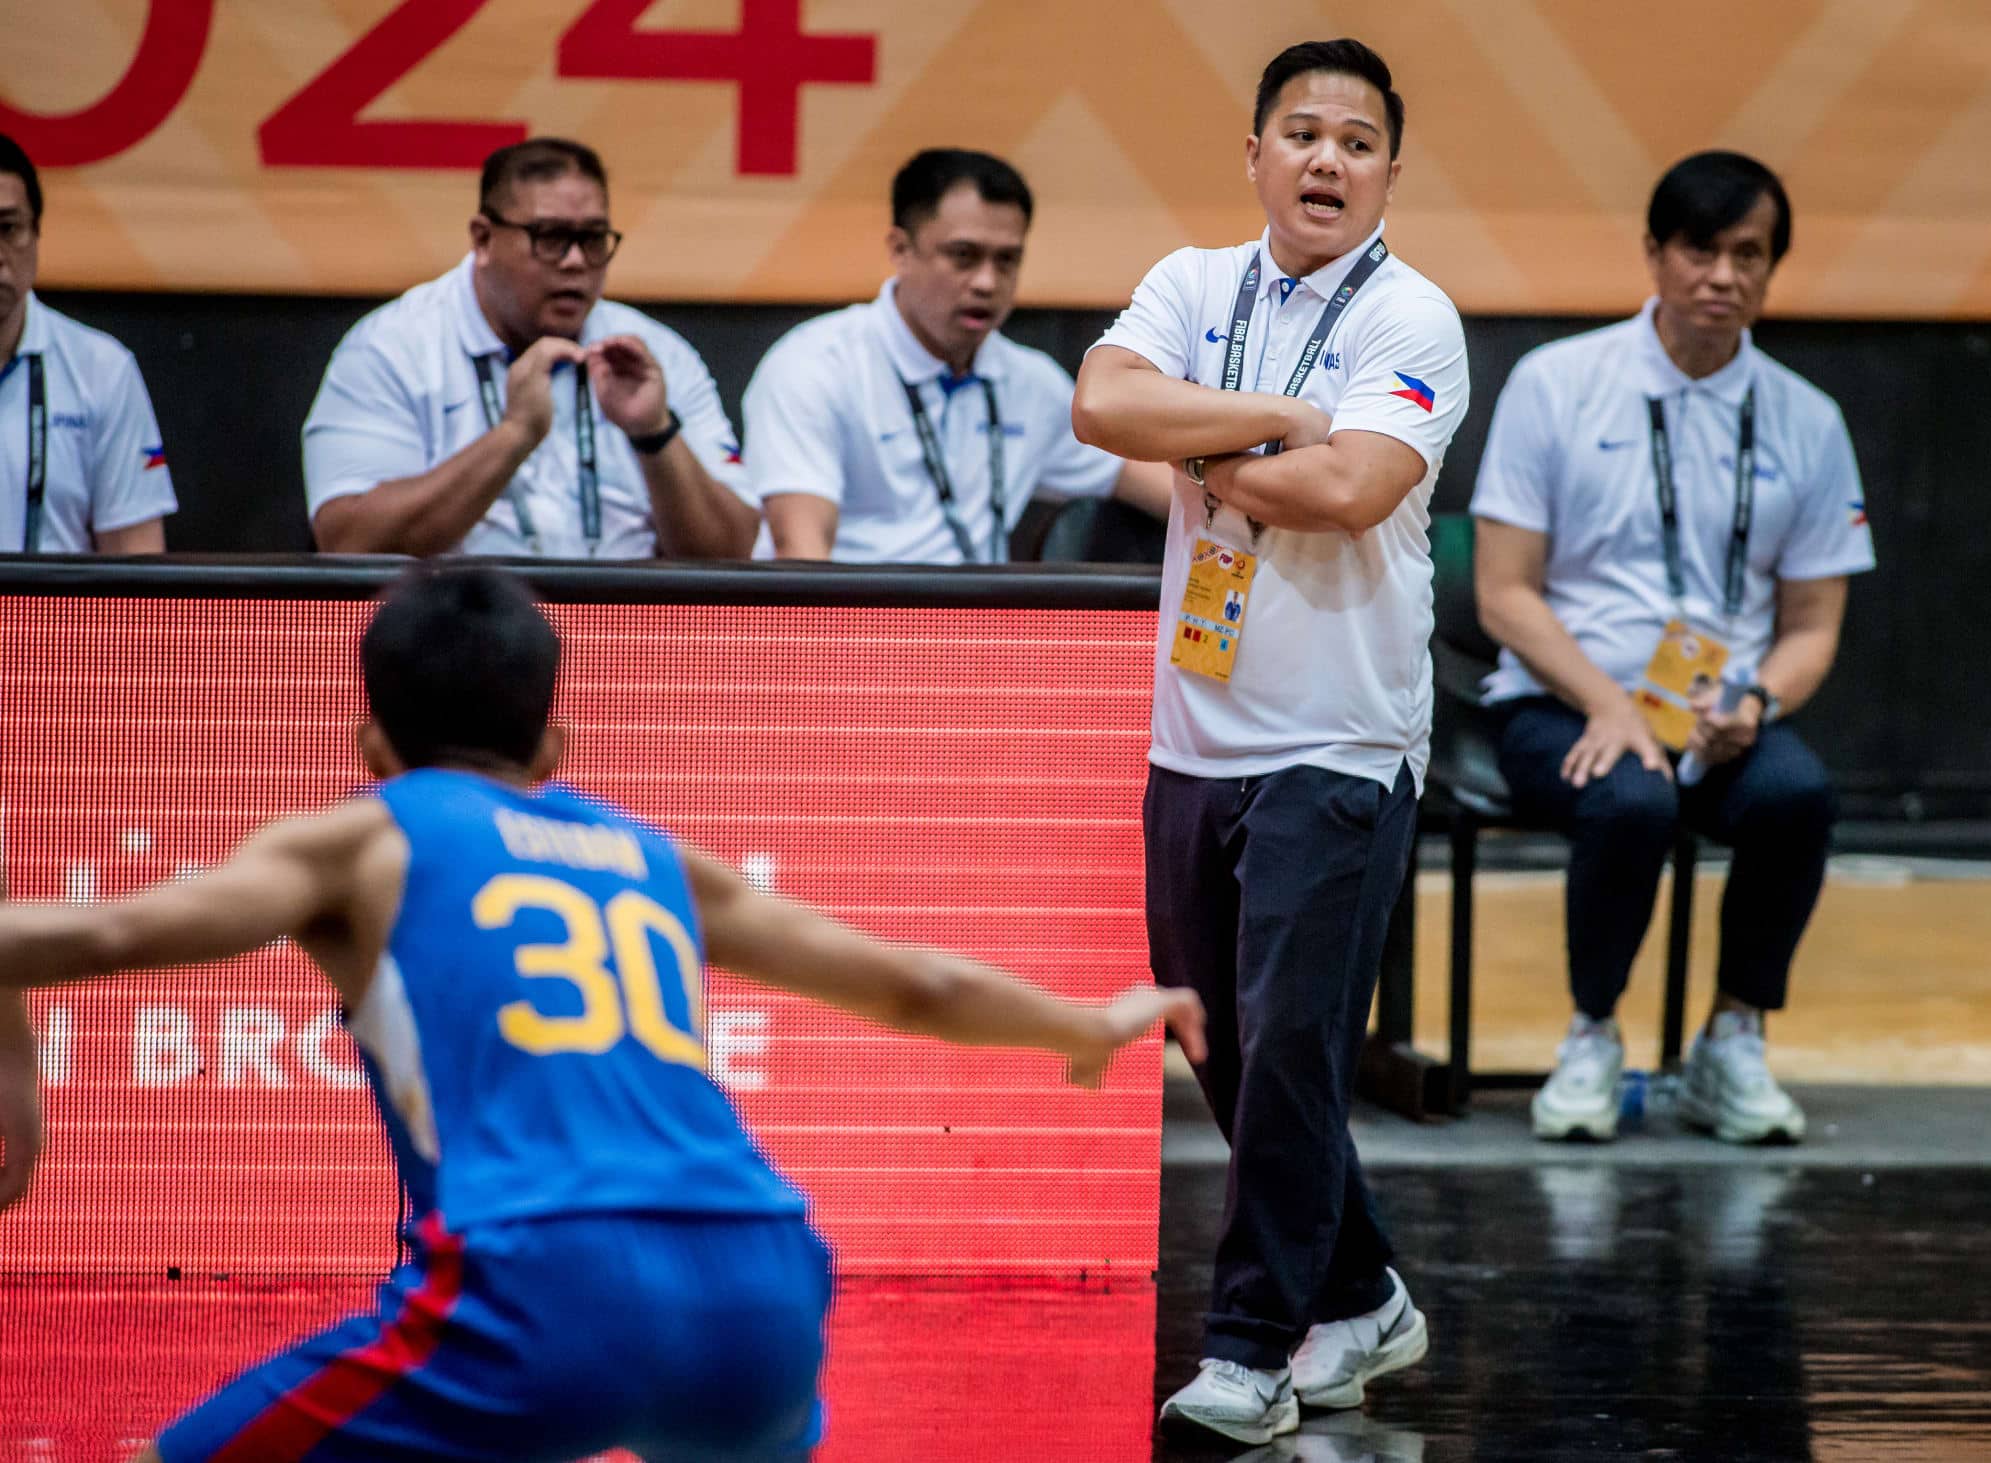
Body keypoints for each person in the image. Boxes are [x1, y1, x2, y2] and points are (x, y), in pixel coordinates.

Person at [0, 564, 1203, 1461]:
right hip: (761, 1278)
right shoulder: (653, 854)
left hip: (540, 1280)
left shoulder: (364, 831)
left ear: (369, 740)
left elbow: (106, 934)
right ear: (555, 739)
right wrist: (1085, 1024)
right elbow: (917, 985)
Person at [1073, 38, 1468, 1447]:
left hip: (1342, 738)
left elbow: (1353, 486)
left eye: (1356, 141)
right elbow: (1101, 403)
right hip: (1198, 730)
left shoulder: (1414, 317)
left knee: (1295, 1046)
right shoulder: (1190, 283)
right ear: (1254, 154)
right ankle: (1362, 1292)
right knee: (1221, 1039)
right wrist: (1272, 419)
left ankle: (1255, 1344)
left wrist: (1199, 447)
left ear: (1388, 174)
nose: (1326, 159)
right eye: (1301, 132)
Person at [1470, 150, 1875, 1146]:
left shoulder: (1807, 421)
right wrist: (1606, 703)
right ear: (1652, 253)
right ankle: (1590, 1035)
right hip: (1558, 699)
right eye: (1699, 248)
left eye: (1748, 254)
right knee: (1629, 795)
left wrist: (1755, 705)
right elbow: (1502, 592)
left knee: (1793, 796)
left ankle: (1730, 1037)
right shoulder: (1555, 383)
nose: (1721, 276)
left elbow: (1812, 626)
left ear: (1771, 269)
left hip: (1713, 716)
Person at [303, 138, 757, 560]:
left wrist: (655, 434)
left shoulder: (656, 354)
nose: (576, 261)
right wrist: (514, 435)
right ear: (483, 239)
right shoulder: (392, 349)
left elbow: (733, 553)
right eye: (551, 237)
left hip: (625, 629)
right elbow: (348, 542)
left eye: (593, 239)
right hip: (456, 632)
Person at [742, 148, 1170, 563]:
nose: (986, 282)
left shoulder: (1030, 382)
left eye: (1007, 260)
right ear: (900, 250)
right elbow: (801, 557)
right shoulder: (813, 366)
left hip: (977, 628)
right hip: (849, 625)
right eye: (963, 256)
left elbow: (1160, 486)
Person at [0, 131, 176, 554]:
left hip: (51, 621)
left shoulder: (101, 369)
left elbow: (138, 568)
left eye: (8, 228)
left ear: (37, 235)